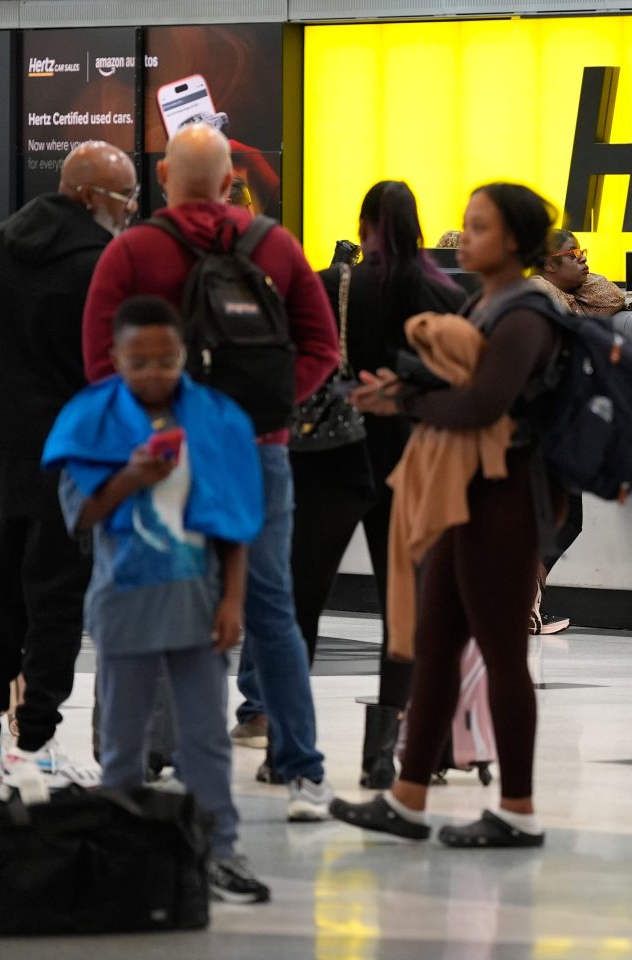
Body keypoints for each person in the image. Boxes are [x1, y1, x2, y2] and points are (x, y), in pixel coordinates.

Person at [81, 123, 340, 821]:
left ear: (163, 176)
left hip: (165, 458)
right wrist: (271, 409)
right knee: (270, 607)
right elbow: (323, 345)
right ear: (231, 181)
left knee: (165, 596)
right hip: (258, 450)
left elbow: (100, 361)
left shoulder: (133, 249)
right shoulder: (274, 245)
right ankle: (302, 769)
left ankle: (153, 762)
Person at [330, 182, 558, 849]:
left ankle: (517, 808)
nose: (464, 235)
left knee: (502, 654)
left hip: (503, 499)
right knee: (434, 648)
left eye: (479, 226)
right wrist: (400, 391)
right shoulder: (487, 305)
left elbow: (483, 405)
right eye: (465, 223)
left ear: (513, 239)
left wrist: (402, 404)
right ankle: (407, 797)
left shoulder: (524, 314)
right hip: (469, 495)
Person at [42, 296, 269, 903]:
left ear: (184, 357)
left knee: (206, 739)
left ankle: (219, 849)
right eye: (137, 361)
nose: (152, 373)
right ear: (114, 358)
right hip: (124, 607)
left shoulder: (213, 422)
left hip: (199, 603)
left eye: (165, 360)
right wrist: (127, 478)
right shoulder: (95, 423)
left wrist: (233, 603)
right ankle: (120, 852)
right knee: (123, 741)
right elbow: (82, 515)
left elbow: (234, 524)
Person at [249, 180, 465, 790]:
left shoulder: (329, 283)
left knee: (300, 605)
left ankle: (285, 747)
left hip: (329, 457)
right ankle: (383, 755)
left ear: (365, 223)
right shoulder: (441, 291)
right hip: (411, 463)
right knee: (406, 612)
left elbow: (293, 353)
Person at [0, 141, 136, 788]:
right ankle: (39, 735)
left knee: (7, 585)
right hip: (70, 451)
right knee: (58, 594)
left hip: (3, 446)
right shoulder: (99, 265)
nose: (130, 213)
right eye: (125, 200)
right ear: (91, 197)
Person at [528, 228, 626, 635]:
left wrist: (579, 279)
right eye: (573, 254)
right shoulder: (536, 291)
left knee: (561, 518)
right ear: (549, 264)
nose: (584, 260)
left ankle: (524, 600)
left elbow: (613, 298)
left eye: (584, 252)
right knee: (559, 517)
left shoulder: (561, 291)